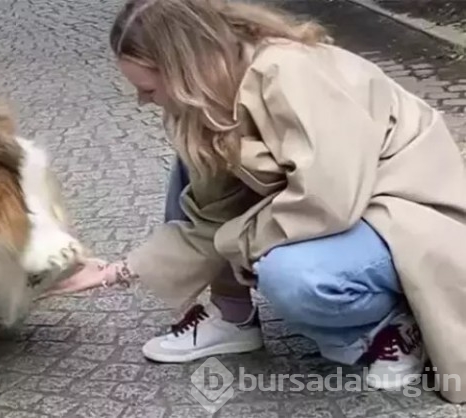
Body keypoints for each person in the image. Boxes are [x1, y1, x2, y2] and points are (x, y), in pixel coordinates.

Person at [43, 0, 466, 401]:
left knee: (292, 275)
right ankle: (232, 317)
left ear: (185, 69)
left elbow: (328, 201)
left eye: (149, 88)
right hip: (352, 211)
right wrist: (114, 272)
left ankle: (392, 325)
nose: (142, 100)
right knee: (194, 169)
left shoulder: (290, 72)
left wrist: (239, 242)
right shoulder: (214, 98)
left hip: (408, 211)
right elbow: (207, 216)